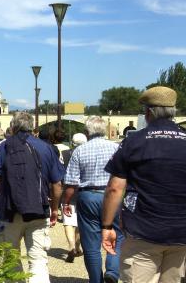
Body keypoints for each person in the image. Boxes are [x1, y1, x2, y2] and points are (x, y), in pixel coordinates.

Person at [102, 86, 186, 283]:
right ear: (173, 112)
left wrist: (107, 226)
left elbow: (115, 188)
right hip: (180, 233)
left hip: (143, 231)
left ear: (148, 113)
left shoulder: (134, 142)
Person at [0, 112, 64, 283]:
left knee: (11, 258)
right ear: (32, 127)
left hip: (10, 211)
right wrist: (54, 209)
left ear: (13, 126)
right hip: (39, 210)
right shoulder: (46, 148)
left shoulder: (4, 146)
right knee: (38, 259)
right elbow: (57, 184)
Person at [62, 117, 121, 283]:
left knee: (90, 243)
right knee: (117, 235)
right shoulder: (116, 148)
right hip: (112, 194)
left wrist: (66, 202)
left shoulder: (79, 151)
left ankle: (96, 280)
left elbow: (71, 183)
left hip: (87, 195)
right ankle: (112, 271)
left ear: (87, 132)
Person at [60, 132, 87, 263]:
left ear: (72, 143)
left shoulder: (64, 154)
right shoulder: (88, 153)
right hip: (83, 192)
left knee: (68, 221)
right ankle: (77, 246)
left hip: (67, 191)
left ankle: (71, 246)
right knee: (80, 223)